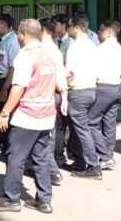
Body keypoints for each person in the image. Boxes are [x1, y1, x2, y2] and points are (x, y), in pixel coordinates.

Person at [0, 19, 58, 214]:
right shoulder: (48, 55)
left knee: (15, 157)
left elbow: (18, 88)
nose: (18, 38)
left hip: (28, 115)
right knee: (42, 158)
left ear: (23, 35)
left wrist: (5, 112)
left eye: (19, 34)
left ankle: (11, 198)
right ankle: (44, 200)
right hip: (47, 115)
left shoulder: (25, 56)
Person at [65, 13, 101, 179]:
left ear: (77, 27)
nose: (68, 29)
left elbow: (69, 73)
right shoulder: (92, 45)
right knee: (80, 129)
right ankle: (80, 162)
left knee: (82, 130)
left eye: (69, 26)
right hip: (90, 90)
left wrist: (63, 91)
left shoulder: (75, 46)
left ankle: (93, 166)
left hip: (78, 91)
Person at [88, 19, 121, 170]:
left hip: (104, 87)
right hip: (117, 88)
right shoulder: (120, 48)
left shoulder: (102, 49)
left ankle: (105, 156)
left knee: (90, 122)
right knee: (109, 123)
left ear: (109, 32)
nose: (98, 32)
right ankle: (107, 155)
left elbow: (93, 69)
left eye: (100, 29)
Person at [38, 18, 69, 183]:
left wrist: (63, 95)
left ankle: (52, 171)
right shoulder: (54, 49)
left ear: (42, 30)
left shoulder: (44, 50)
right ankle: (47, 168)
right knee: (48, 134)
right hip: (52, 95)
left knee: (45, 135)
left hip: (46, 96)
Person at [0, 14, 21, 158]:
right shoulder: (0, 41)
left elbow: (13, 67)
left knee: (4, 113)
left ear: (4, 25)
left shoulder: (12, 41)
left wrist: (5, 88)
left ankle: (6, 146)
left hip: (5, 81)